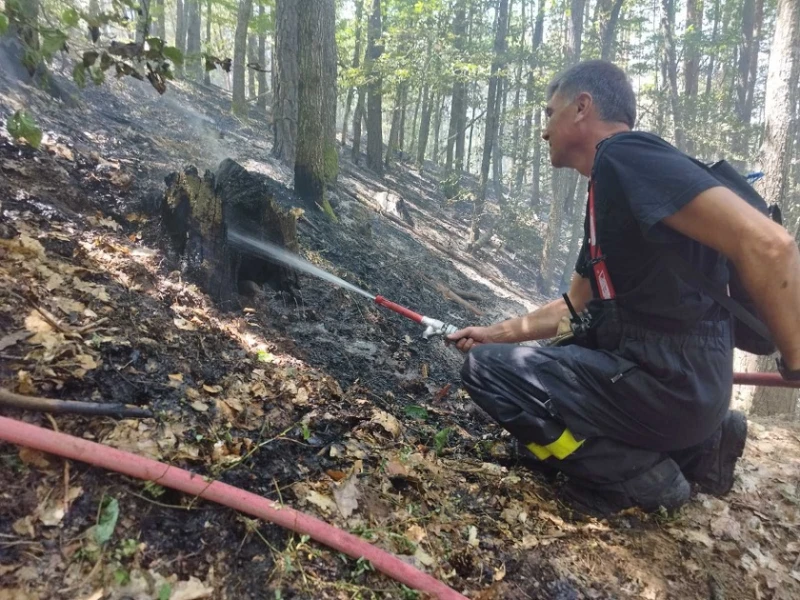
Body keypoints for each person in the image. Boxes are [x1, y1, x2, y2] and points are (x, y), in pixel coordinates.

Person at [447, 60, 800, 517]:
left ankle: (641, 481)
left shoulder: (624, 155)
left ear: (581, 108)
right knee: (520, 365)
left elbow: (771, 244)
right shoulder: (615, 187)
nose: (543, 131)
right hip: (692, 389)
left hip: (666, 384)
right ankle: (702, 450)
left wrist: (795, 360)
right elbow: (573, 306)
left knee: (486, 373)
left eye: (548, 113)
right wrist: (489, 334)